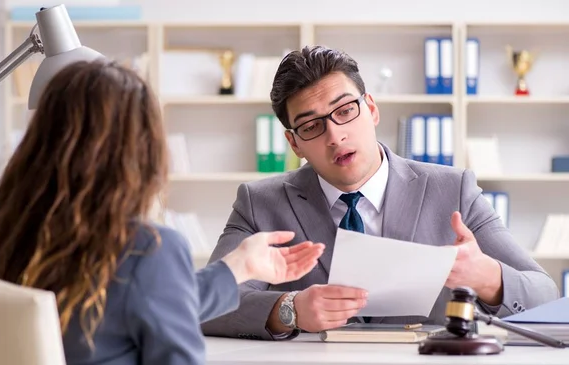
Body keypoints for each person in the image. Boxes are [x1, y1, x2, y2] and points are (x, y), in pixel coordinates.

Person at [0, 60, 325, 364]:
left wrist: (237, 268)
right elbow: (149, 298)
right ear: (141, 153)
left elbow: (141, 301)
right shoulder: (145, 249)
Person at [201, 45, 559, 340]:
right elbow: (203, 307)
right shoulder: (259, 202)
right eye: (311, 126)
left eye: (345, 111)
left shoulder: (454, 189)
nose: (335, 135)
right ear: (294, 143)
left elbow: (544, 294)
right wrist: (289, 309)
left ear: (371, 108)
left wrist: (488, 277)